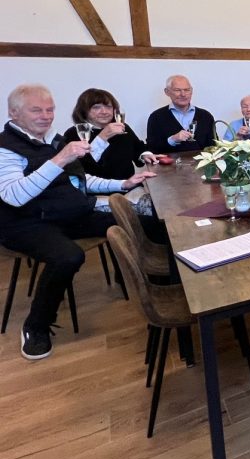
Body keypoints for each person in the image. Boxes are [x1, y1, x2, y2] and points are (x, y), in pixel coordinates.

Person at [0, 84, 155, 360]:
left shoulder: (53, 140)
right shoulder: (6, 147)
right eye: (37, 109)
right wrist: (59, 159)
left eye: (50, 109)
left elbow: (82, 181)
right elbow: (14, 196)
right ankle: (36, 327)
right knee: (68, 256)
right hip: (26, 223)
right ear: (14, 113)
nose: (45, 115)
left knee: (142, 221)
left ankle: (163, 285)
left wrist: (124, 183)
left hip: (69, 213)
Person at [62, 88, 157, 179]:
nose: (104, 111)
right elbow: (81, 168)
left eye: (108, 107)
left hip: (130, 186)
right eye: (96, 107)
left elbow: (139, 148)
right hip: (96, 192)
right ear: (84, 111)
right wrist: (103, 137)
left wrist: (145, 154)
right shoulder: (74, 133)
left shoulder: (122, 127)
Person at [146, 75, 215, 153]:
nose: (183, 94)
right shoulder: (156, 117)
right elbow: (151, 149)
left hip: (201, 165)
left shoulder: (206, 116)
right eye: (177, 90)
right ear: (167, 92)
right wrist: (173, 140)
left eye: (187, 90)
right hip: (169, 165)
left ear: (191, 91)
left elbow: (213, 147)